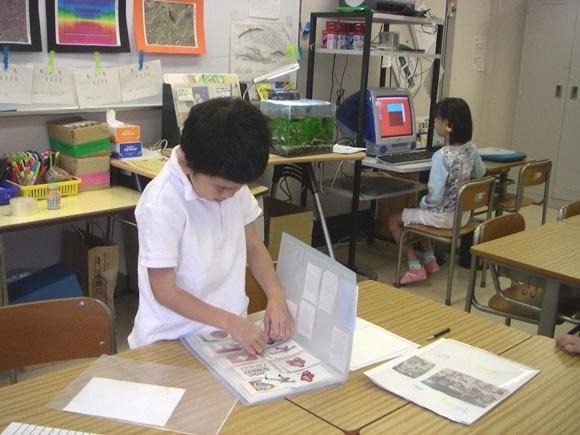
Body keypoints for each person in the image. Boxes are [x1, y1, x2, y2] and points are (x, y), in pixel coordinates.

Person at [128, 98, 294, 354]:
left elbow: (253, 245)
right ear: (186, 165)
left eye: (237, 189)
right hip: (170, 341)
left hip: (227, 336)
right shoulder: (162, 203)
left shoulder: (228, 182)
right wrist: (231, 322)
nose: (229, 195)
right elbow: (164, 290)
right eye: (222, 189)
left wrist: (275, 295)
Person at [388, 97, 486, 285]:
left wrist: (423, 202)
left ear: (448, 125)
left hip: (443, 218)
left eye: (437, 119)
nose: (435, 122)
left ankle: (414, 266)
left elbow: (434, 198)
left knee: (394, 220)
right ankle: (430, 260)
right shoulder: (471, 150)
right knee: (417, 213)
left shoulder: (441, 156)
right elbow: (480, 172)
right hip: (461, 216)